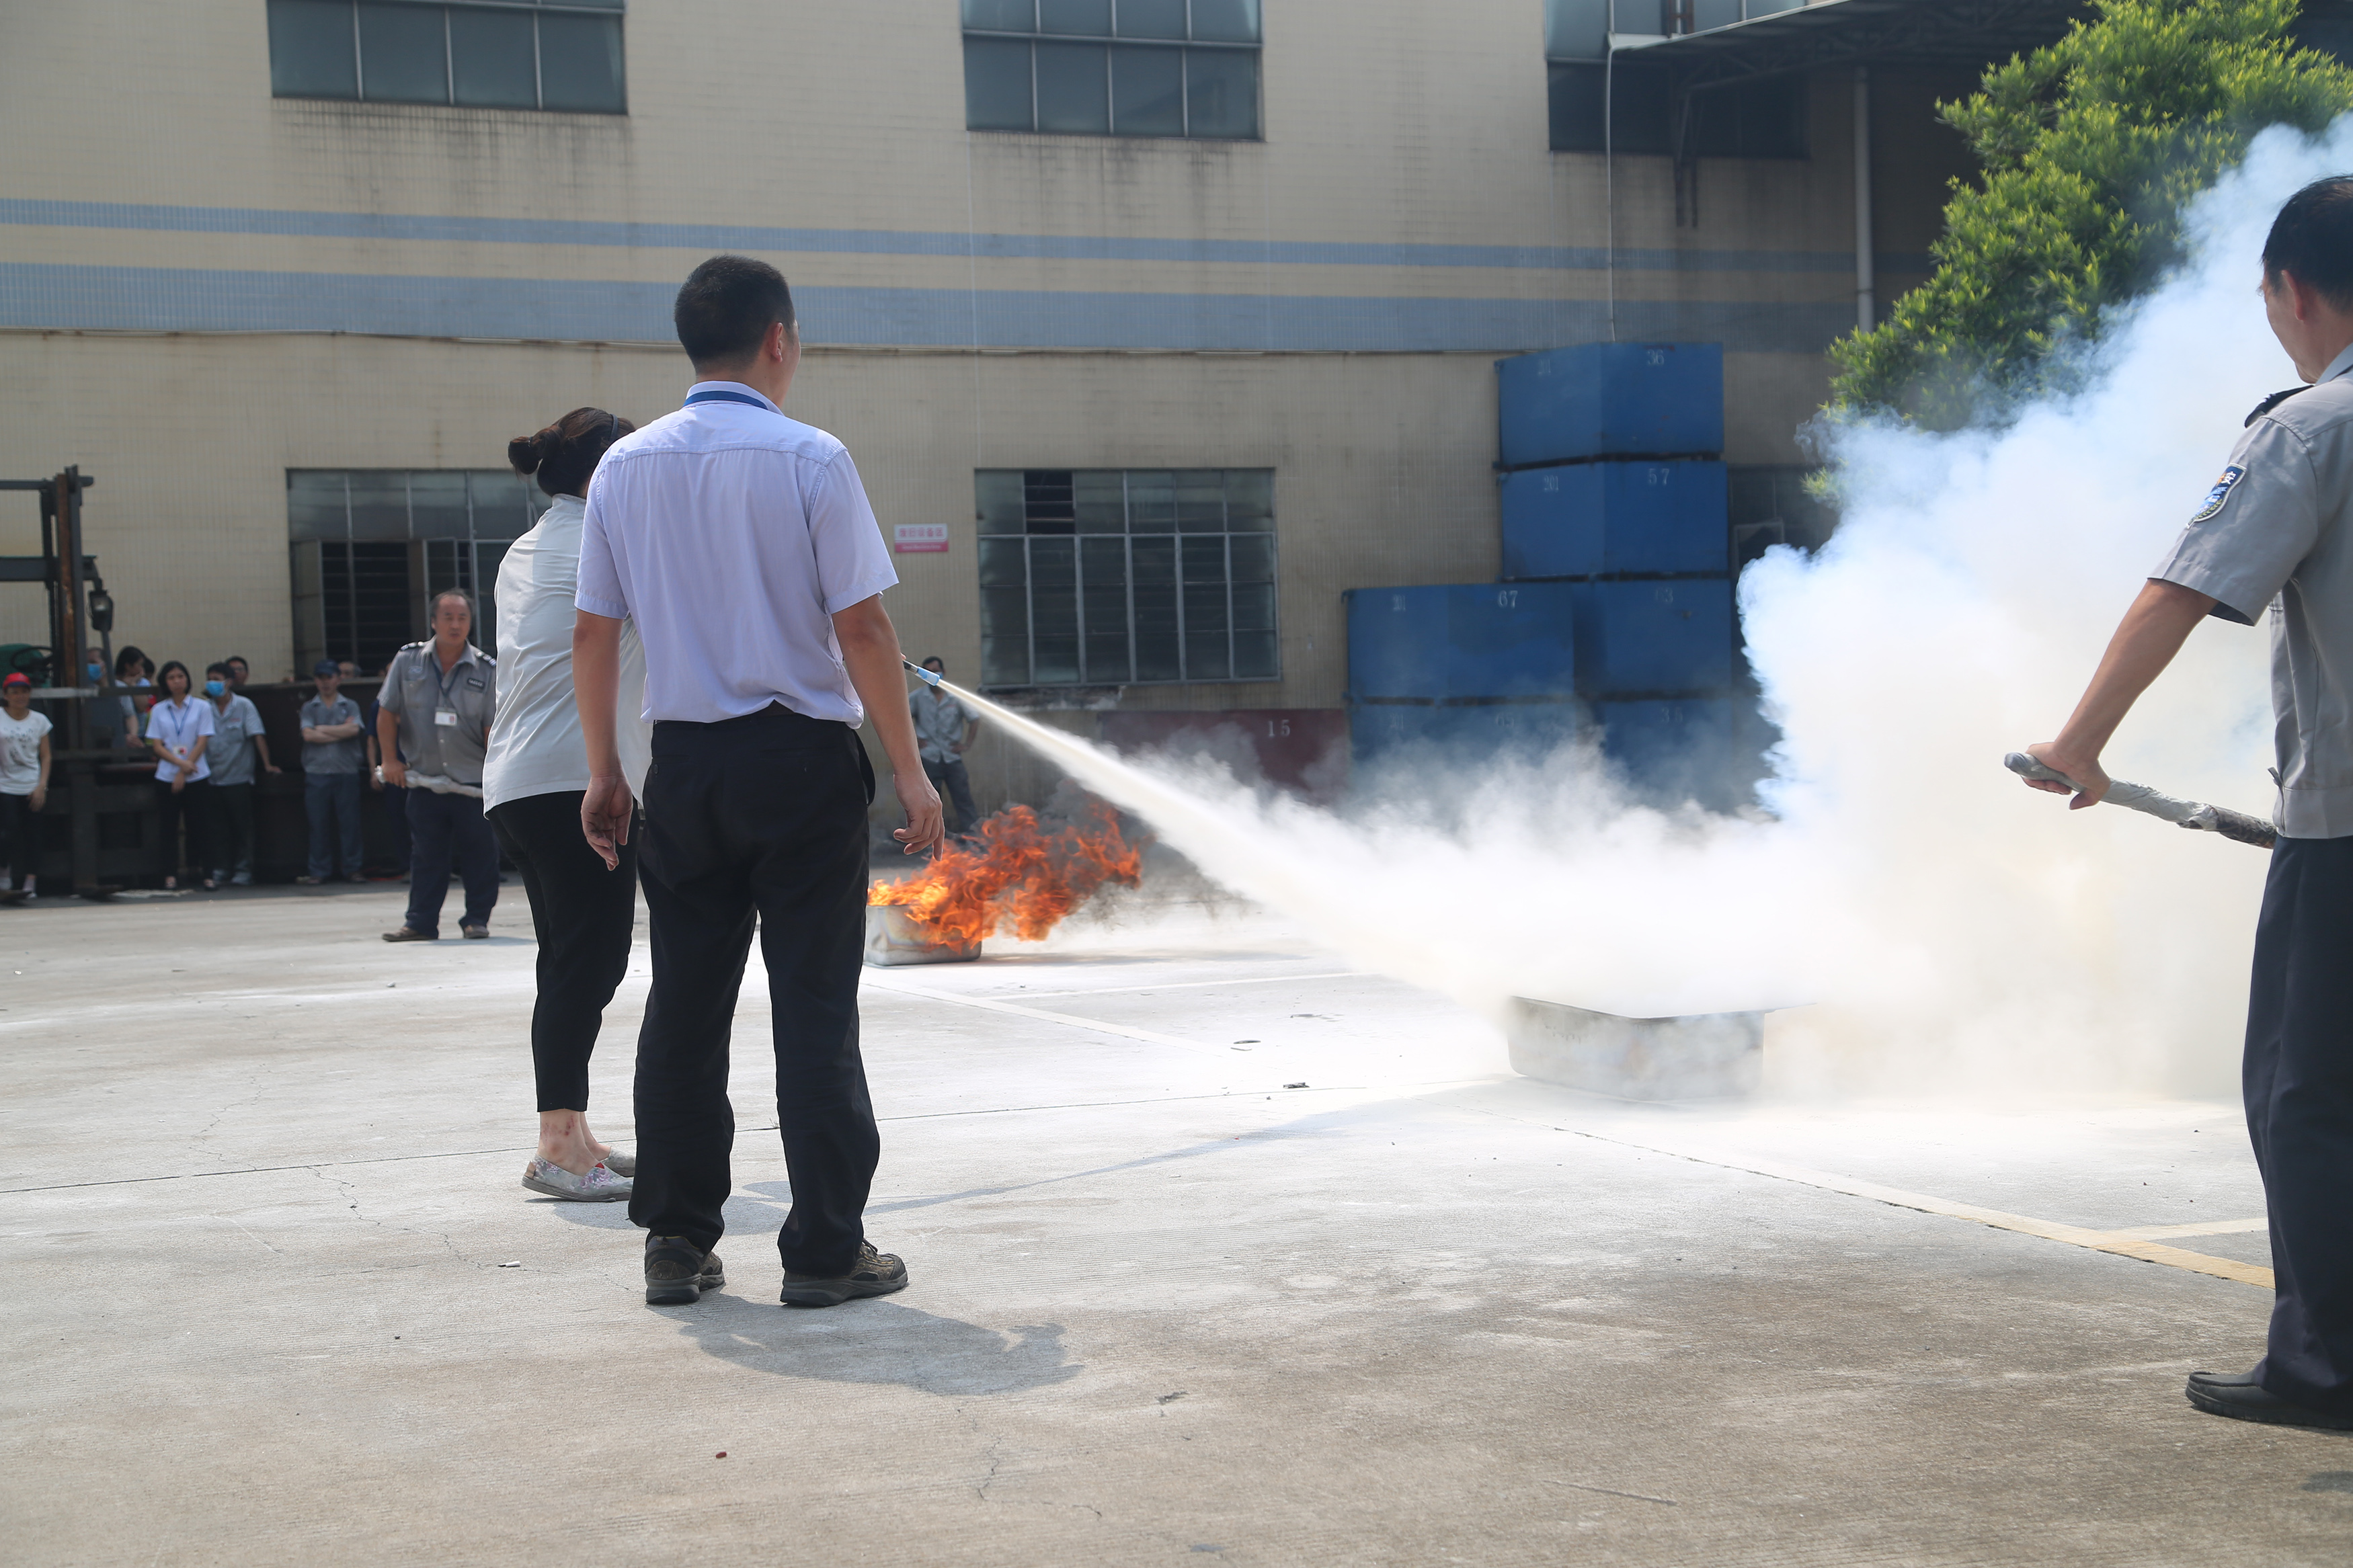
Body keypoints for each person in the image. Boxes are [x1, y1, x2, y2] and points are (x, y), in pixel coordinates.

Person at [2024, 175, 2353, 1434]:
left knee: (2309, 1094)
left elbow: (2181, 589)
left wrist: (2078, 744)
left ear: (2294, 291)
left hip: (2344, 835)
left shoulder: (2312, 429)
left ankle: (2329, 1368)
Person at [573, 255, 943, 1308]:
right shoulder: (812, 459)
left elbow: (592, 631)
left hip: (682, 766)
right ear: (779, 338)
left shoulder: (624, 468)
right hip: (798, 765)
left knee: (684, 1008)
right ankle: (825, 1248)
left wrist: (607, 770)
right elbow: (863, 627)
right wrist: (912, 773)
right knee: (814, 1009)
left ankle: (678, 1242)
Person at [487, 406, 651, 1203]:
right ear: (604, 469)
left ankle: (573, 1130)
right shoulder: (604, 540)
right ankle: (556, 1141)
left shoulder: (529, 545)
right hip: (571, 780)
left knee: (566, 963)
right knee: (588, 963)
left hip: (516, 782)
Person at [376, 591, 499, 940]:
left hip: (471, 783)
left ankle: (477, 919)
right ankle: (420, 922)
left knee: (480, 855)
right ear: (433, 621)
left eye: (462, 617)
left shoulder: (487, 670)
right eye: (448, 617)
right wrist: (389, 760)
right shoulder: (408, 661)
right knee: (426, 856)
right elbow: (387, 712)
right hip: (425, 781)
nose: (455, 624)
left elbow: (494, 728)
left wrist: (496, 776)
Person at [203, 661, 277, 886]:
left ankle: (243, 869)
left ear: (229, 681)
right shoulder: (204, 708)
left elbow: (257, 736)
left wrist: (267, 765)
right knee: (218, 829)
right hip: (212, 778)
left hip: (239, 778)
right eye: (209, 679)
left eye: (217, 679)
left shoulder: (244, 706)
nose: (212, 684)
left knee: (242, 827)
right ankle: (221, 868)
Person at [145, 660, 213, 891]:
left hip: (197, 774)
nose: (177, 681)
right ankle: (170, 875)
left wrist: (186, 768)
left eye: (180, 676)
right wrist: (179, 765)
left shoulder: (202, 707)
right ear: (165, 682)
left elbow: (202, 740)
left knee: (201, 826)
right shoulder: (158, 710)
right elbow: (157, 745)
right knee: (168, 828)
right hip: (167, 774)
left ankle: (207, 873)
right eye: (171, 677)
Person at [298, 659, 366, 884]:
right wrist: (340, 731)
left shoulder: (350, 705)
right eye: (321, 678)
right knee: (318, 825)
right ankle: (319, 870)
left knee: (350, 824)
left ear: (338, 679)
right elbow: (308, 735)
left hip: (346, 770)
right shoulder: (310, 707)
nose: (325, 683)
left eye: (329, 678)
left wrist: (323, 730)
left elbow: (354, 730)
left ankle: (353, 868)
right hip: (317, 772)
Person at [910, 655, 982, 836]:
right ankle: (930, 838)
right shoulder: (918, 697)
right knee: (929, 803)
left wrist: (966, 744)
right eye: (928, 672)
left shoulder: (956, 697)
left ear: (943, 672)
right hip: (929, 757)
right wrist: (913, 739)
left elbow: (974, 718)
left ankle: (974, 838)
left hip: (952, 757)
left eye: (936, 671)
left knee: (963, 799)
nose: (932, 675)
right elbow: (898, 716)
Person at [0, 672, 52, 897]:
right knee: (8, 831)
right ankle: (4, 872)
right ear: (6, 695)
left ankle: (31, 882)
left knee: (35, 834)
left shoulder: (39, 720)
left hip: (31, 783)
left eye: (24, 691)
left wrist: (42, 785)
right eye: (15, 692)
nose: (20, 696)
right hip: (5, 785)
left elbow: (46, 756)